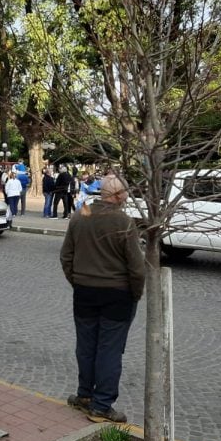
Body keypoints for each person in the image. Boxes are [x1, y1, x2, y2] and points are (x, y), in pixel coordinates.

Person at [60, 175, 145, 424]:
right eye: (126, 194)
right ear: (118, 196)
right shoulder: (123, 221)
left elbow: (66, 256)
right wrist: (135, 294)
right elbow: (136, 268)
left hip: (85, 292)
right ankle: (102, 405)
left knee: (86, 347)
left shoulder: (80, 215)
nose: (127, 198)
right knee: (110, 350)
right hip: (117, 295)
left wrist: (77, 281)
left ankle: (85, 395)